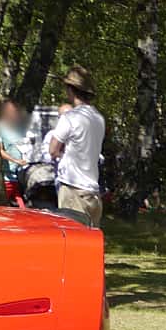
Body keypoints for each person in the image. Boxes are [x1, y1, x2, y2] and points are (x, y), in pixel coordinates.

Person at [46, 65, 105, 227]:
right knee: (91, 246)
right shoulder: (99, 118)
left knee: (72, 244)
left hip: (73, 190)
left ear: (71, 90)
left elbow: (52, 150)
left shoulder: (70, 117)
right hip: (93, 191)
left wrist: (62, 153)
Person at [0, 99, 29, 205]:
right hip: (8, 177)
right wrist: (15, 160)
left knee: (22, 206)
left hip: (23, 175)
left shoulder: (21, 129)